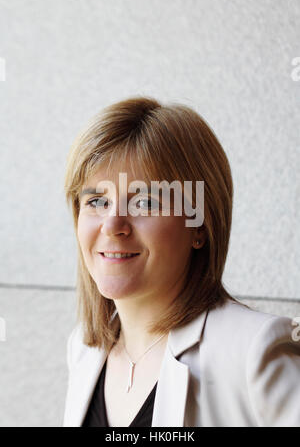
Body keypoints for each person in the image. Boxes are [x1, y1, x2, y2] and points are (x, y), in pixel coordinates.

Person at [63, 96, 300, 427]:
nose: (113, 225)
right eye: (97, 201)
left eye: (145, 201)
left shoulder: (253, 353)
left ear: (199, 225)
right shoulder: (84, 349)